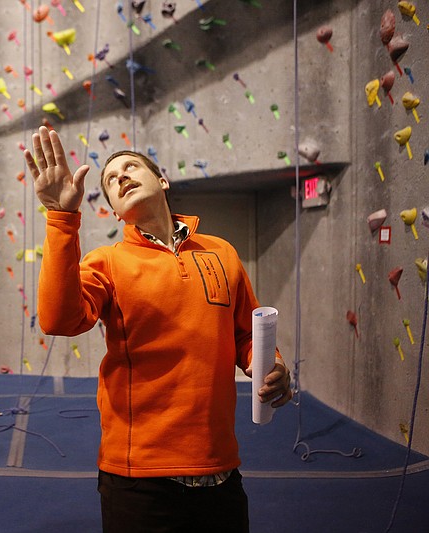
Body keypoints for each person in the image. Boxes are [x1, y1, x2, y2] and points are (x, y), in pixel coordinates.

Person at [24, 126, 293, 533]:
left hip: (220, 469)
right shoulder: (107, 262)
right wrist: (62, 220)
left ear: (162, 181)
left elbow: (245, 335)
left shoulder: (221, 252)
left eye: (131, 167)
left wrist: (270, 364)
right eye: (112, 180)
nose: (121, 177)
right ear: (114, 211)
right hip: (139, 477)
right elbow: (59, 320)